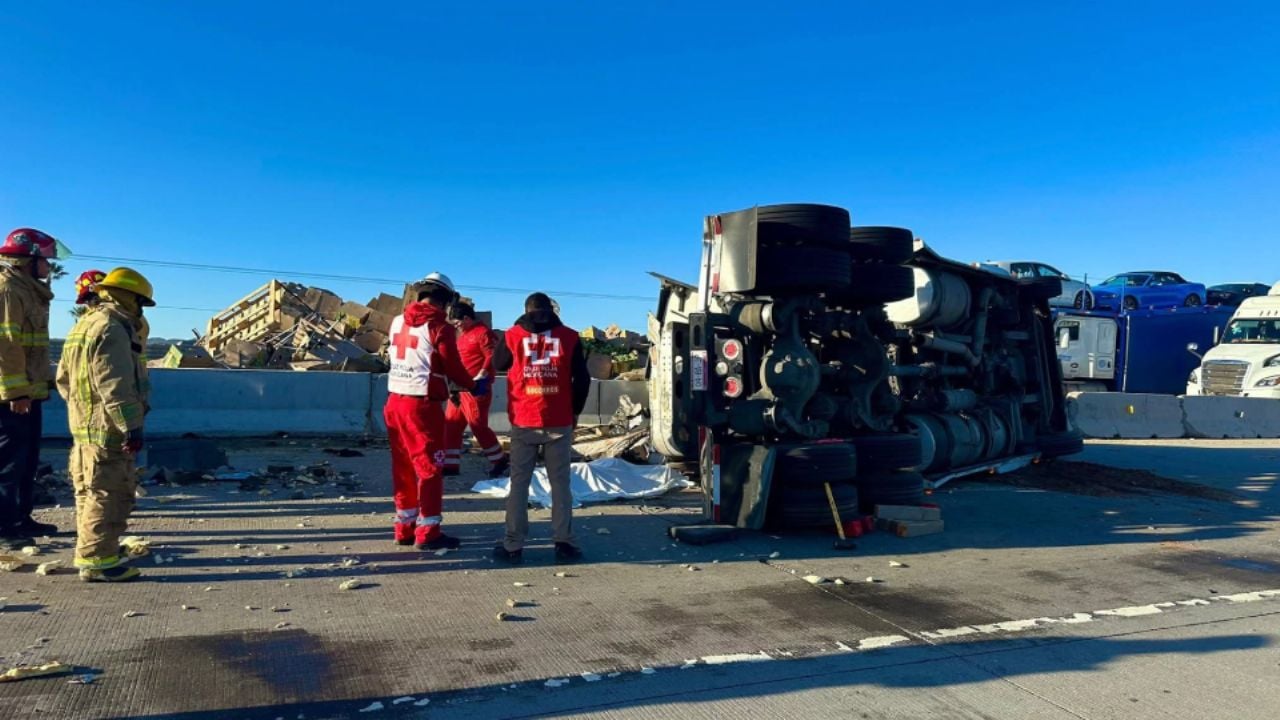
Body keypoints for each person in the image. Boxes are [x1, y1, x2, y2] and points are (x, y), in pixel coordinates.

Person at [55, 267, 154, 582]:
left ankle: (95, 549)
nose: (141, 310)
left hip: (84, 425)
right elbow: (115, 384)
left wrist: (82, 410)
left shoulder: (84, 324)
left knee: (89, 491)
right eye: (140, 303)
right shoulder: (113, 328)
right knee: (110, 493)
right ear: (129, 297)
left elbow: (63, 379)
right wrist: (131, 426)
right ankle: (98, 561)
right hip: (108, 426)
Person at [384, 273, 491, 550]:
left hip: (394, 402)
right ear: (446, 301)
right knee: (430, 468)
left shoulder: (397, 321)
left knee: (403, 467)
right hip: (422, 406)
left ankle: (404, 527)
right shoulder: (439, 326)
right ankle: (428, 531)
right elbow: (451, 366)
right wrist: (473, 385)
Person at [491, 292, 591, 565]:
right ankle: (564, 542)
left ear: (526, 310)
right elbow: (582, 379)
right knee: (560, 484)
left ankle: (513, 544)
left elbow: (498, 364)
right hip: (559, 418)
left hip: (524, 418)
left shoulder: (513, 335)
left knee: (519, 483)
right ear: (552, 310)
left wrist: (516, 327)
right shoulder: (569, 337)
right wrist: (575, 411)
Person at [0, 228, 65, 549]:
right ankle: (3, 528)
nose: (49, 266)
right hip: (12, 397)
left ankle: (21, 518)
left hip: (30, 393)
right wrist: (16, 392)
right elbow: (6, 344)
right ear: (29, 259)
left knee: (26, 461)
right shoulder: (9, 289)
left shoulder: (28, 290)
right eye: (46, 260)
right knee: (7, 463)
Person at [443, 301, 509, 478]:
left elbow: (492, 356)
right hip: (457, 389)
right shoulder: (462, 336)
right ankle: (450, 465)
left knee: (478, 426)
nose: (456, 326)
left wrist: (482, 374)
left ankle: (499, 460)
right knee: (451, 425)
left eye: (458, 323)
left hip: (475, 389)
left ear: (467, 318)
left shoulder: (484, 333)